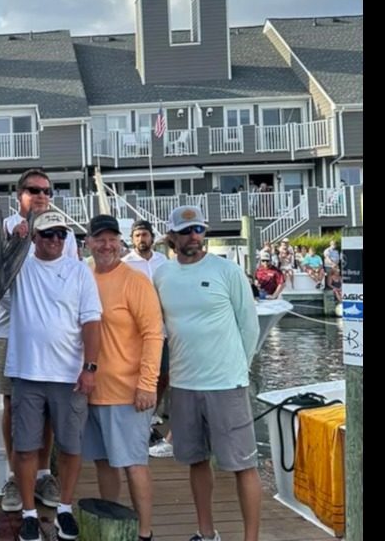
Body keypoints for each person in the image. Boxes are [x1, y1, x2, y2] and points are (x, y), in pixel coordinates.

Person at [154, 206, 261, 541]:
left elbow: (249, 326)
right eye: (186, 231)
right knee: (196, 461)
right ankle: (206, 532)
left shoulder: (227, 271)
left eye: (199, 229)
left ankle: (251, 538)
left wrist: (236, 369)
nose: (194, 237)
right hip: (184, 385)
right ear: (171, 237)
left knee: (244, 465)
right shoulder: (161, 276)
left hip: (227, 385)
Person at [5, 210, 103, 541]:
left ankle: (64, 508)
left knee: (71, 446)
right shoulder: (18, 266)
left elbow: (91, 321)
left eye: (62, 234)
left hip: (70, 375)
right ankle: (29, 512)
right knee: (26, 447)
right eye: (48, 235)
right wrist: (12, 241)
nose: (56, 240)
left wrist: (90, 367)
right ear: (34, 238)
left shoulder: (79, 271)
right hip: (27, 373)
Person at [0, 168, 79, 513]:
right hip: (8, 330)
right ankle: (15, 476)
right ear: (19, 195)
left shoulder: (65, 233)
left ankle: (43, 473)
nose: (41, 195)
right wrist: (14, 241)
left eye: (47, 191)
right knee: (12, 405)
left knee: (44, 408)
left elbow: (70, 280)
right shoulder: (3, 228)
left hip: (50, 335)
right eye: (33, 190)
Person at [83, 215, 163, 541]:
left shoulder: (135, 281)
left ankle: (144, 532)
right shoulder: (83, 276)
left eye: (111, 238)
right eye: (99, 238)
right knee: (104, 463)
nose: (106, 245)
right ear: (87, 242)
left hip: (127, 392)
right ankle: (113, 524)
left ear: (120, 241)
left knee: (133, 464)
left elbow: (153, 335)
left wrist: (147, 384)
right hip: (90, 391)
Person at [121, 219, 171, 445]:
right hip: (135, 331)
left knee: (163, 375)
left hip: (163, 329)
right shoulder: (125, 264)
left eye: (145, 235)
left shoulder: (165, 262)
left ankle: (150, 416)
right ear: (132, 239)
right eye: (137, 235)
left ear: (152, 237)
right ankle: (136, 421)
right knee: (136, 375)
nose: (142, 239)